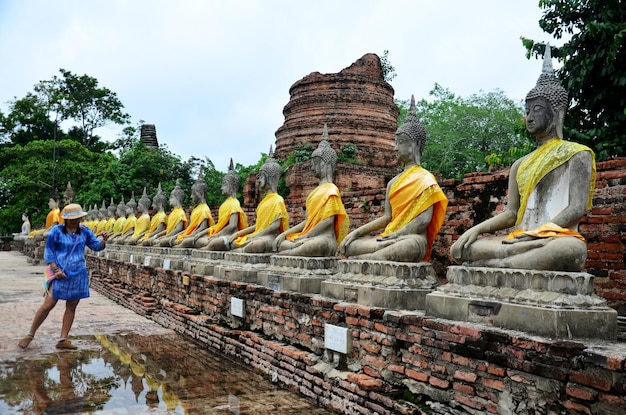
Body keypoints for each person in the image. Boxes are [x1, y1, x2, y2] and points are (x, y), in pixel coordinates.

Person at [450, 45, 596, 272]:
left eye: (537, 109)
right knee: (462, 248)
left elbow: (576, 208)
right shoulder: (520, 164)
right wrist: (476, 230)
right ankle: (502, 263)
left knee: (570, 250)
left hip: (552, 239)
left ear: (558, 113)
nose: (529, 116)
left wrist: (536, 234)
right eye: (527, 110)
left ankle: (492, 265)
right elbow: (511, 214)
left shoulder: (578, 154)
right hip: (519, 240)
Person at [339, 96, 448, 262]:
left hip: (411, 238)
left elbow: (424, 220)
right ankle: (370, 258)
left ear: (416, 144)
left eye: (400, 142)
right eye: (395, 142)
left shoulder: (426, 179)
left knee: (406, 247)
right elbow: (387, 218)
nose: (395, 148)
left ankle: (365, 260)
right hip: (389, 237)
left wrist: (397, 235)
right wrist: (357, 232)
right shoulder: (393, 182)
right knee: (350, 245)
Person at [18, 203, 110, 350]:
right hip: (60, 273)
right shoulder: (57, 231)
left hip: (78, 273)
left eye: (77, 218)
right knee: (48, 304)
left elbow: (96, 246)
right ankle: (30, 334)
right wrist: (55, 269)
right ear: (65, 219)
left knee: (72, 306)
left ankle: (63, 339)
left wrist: (104, 240)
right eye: (71, 218)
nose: (74, 221)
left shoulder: (84, 231)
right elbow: (49, 251)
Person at [273, 125, 349, 257]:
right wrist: (285, 234)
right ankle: (290, 251)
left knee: (315, 245)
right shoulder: (315, 193)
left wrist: (306, 236)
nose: (312, 167)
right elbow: (307, 221)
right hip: (309, 237)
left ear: (324, 164)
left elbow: (328, 221)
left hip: (323, 239)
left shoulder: (331, 189)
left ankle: (290, 253)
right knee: (284, 242)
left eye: (315, 163)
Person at [229, 147, 289, 253]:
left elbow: (275, 226)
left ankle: (242, 250)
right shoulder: (263, 202)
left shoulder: (278, 200)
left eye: (260, 177)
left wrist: (256, 235)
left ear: (268, 178)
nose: (258, 181)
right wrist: (238, 233)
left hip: (269, 237)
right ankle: (243, 248)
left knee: (257, 244)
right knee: (235, 241)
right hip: (260, 235)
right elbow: (258, 225)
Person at [195, 159, 248, 250]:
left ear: (231, 186)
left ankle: (208, 247)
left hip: (230, 235)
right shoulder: (225, 204)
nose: (221, 188)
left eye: (224, 185)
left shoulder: (234, 203)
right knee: (199, 240)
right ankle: (208, 245)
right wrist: (201, 233)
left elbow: (233, 226)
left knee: (216, 242)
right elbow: (217, 225)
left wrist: (218, 235)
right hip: (220, 234)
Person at [175, 172, 215, 248]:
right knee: (177, 240)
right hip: (192, 235)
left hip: (201, 236)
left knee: (185, 241)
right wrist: (181, 235)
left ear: (201, 194)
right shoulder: (195, 210)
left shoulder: (204, 209)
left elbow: (203, 227)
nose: (191, 196)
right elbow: (189, 228)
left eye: (193, 193)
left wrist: (191, 235)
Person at [152, 180, 189, 247]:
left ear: (177, 199)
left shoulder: (180, 213)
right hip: (169, 236)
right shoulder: (172, 213)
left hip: (176, 237)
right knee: (155, 240)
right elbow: (168, 229)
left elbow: (179, 229)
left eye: (171, 198)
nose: (169, 200)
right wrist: (156, 235)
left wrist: (168, 236)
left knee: (161, 241)